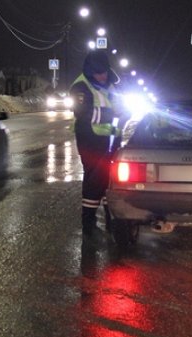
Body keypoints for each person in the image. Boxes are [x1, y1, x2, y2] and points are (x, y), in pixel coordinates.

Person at [70, 50, 122, 235]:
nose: (102, 75)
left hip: (111, 139)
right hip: (90, 138)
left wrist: (123, 112)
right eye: (98, 72)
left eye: (104, 71)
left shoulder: (111, 85)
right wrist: (113, 114)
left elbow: (120, 107)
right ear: (90, 70)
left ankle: (111, 219)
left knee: (110, 178)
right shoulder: (80, 87)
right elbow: (82, 114)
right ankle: (88, 222)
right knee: (95, 179)